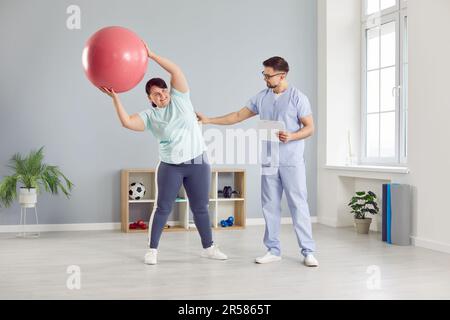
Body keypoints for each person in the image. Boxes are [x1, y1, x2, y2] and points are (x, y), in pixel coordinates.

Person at [100, 42, 227, 265]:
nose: (162, 95)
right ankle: (152, 250)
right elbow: (127, 122)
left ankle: (209, 247)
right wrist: (115, 99)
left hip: (198, 162)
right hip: (171, 166)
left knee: (200, 208)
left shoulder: (181, 99)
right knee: (163, 208)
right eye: (156, 94)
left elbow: (175, 71)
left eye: (163, 90)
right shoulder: (150, 117)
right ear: (150, 98)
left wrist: (150, 55)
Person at [197, 57, 318, 267]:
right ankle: (273, 250)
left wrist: (292, 136)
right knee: (270, 206)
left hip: (292, 161)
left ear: (282, 75)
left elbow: (309, 128)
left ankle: (308, 252)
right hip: (269, 161)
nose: (265, 79)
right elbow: (236, 116)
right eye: (263, 74)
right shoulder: (262, 97)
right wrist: (208, 120)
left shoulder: (298, 98)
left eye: (268, 75)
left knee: (298, 205)